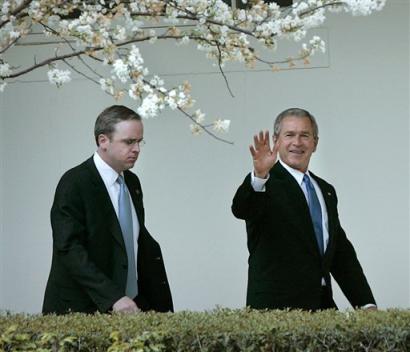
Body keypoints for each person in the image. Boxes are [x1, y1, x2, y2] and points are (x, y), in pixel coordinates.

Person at [232, 108, 376, 311]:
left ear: (315, 143)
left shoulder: (325, 190)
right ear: (276, 140)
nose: (297, 142)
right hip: (276, 313)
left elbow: (340, 253)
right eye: (289, 135)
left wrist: (366, 303)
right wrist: (259, 176)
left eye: (304, 136)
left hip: (322, 308)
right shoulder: (265, 183)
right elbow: (242, 209)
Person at [43, 105, 173, 314]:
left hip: (130, 307)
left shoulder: (132, 182)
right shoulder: (75, 182)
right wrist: (113, 297)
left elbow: (130, 242)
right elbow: (69, 249)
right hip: (81, 310)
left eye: (139, 142)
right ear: (103, 141)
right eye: (129, 142)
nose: (137, 149)